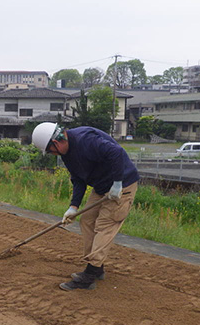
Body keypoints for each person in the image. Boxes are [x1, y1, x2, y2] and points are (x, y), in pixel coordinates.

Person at [32, 122, 139, 291]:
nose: (53, 154)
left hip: (122, 186)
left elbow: (116, 152)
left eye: (51, 151)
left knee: (105, 225)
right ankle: (97, 267)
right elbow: (78, 179)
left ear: (56, 142)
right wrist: (73, 207)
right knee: (87, 220)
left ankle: (90, 274)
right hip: (102, 185)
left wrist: (118, 183)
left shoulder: (85, 140)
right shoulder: (66, 153)